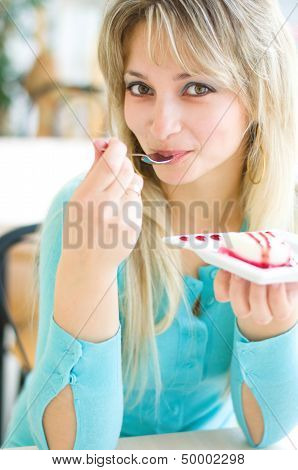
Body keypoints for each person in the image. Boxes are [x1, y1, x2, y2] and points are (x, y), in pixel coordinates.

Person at [2, 0, 298, 450]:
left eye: (197, 87)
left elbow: (265, 431)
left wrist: (270, 328)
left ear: (260, 96)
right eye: (140, 88)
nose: (160, 125)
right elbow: (77, 453)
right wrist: (89, 271)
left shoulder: (281, 225)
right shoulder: (81, 211)